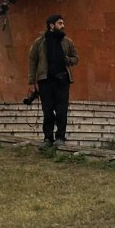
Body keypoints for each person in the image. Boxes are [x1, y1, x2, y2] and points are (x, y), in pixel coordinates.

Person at [26, 15, 78, 147]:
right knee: (47, 110)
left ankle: (60, 137)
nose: (63, 26)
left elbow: (76, 58)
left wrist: (67, 59)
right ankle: (48, 138)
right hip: (45, 80)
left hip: (62, 80)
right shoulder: (39, 42)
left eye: (63, 23)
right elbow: (32, 61)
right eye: (60, 23)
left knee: (62, 110)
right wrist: (32, 82)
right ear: (51, 25)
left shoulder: (67, 42)